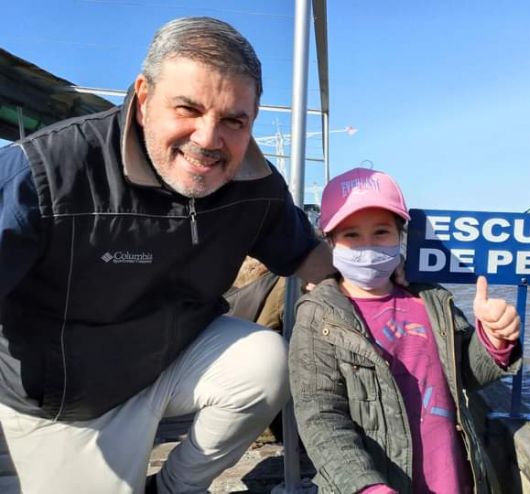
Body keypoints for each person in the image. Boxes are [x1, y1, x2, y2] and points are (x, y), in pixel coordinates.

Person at [0, 17, 334, 494]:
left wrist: (390, 279)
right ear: (142, 97)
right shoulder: (45, 172)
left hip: (169, 358)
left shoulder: (255, 185)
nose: (208, 139)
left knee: (266, 361)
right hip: (69, 398)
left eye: (234, 120)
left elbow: (309, 257)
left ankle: (175, 488)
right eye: (188, 109)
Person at [289, 167, 522, 494]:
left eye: (382, 232)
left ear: (401, 236)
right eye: (351, 235)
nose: (367, 246)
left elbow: (466, 374)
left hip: (454, 478)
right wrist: (365, 486)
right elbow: (320, 418)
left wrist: (495, 340)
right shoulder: (318, 316)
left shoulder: (431, 300)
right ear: (329, 241)